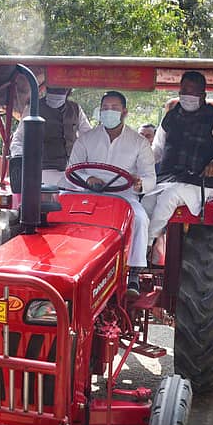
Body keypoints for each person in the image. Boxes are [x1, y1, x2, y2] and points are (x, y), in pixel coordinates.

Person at [67, 91, 156, 296]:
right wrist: (89, 179)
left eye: (114, 108)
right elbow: (74, 168)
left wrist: (140, 183)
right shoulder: (86, 139)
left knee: (141, 219)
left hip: (123, 197)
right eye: (105, 108)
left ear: (124, 112)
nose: (109, 112)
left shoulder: (138, 142)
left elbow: (150, 177)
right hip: (88, 194)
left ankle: (133, 272)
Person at [145, 71, 213, 240]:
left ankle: (148, 243)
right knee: (146, 202)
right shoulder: (170, 117)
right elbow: (157, 150)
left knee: (168, 198)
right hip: (169, 179)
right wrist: (142, 165)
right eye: (184, 90)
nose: (188, 96)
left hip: (200, 183)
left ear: (203, 95)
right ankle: (139, 247)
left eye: (193, 92)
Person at [9, 86, 92, 186]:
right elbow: (18, 139)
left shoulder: (75, 109)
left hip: (72, 170)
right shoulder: (33, 108)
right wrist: (20, 158)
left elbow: (88, 136)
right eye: (54, 87)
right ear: (47, 87)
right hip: (42, 171)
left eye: (62, 88)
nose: (58, 91)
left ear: (68, 90)